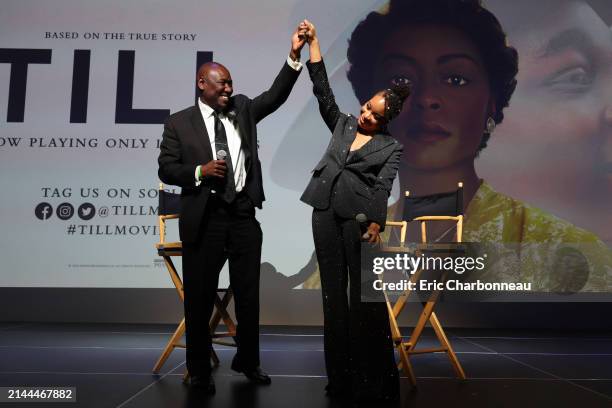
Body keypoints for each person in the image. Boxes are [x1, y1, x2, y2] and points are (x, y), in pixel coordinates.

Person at [301, 0, 611, 293]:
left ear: (492, 103)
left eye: (455, 79)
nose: (425, 98)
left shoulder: (563, 249)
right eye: (399, 80)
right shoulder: (354, 246)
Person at [157, 25, 307, 394]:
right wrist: (199, 171)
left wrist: (294, 56)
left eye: (229, 83)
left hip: (241, 214)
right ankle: (199, 370)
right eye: (221, 83)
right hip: (204, 219)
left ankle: (248, 362)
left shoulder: (242, 109)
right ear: (201, 84)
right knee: (198, 298)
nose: (228, 88)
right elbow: (166, 168)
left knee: (248, 294)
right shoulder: (179, 123)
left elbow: (273, 97)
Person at [298, 20, 409, 402]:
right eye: (365, 107)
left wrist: (377, 222)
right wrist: (313, 44)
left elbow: (382, 187)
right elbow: (323, 92)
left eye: (373, 115)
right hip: (324, 212)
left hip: (359, 223)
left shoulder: (391, 148)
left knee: (363, 301)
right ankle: (339, 378)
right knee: (333, 300)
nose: (364, 115)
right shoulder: (343, 125)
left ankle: (371, 377)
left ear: (385, 121)